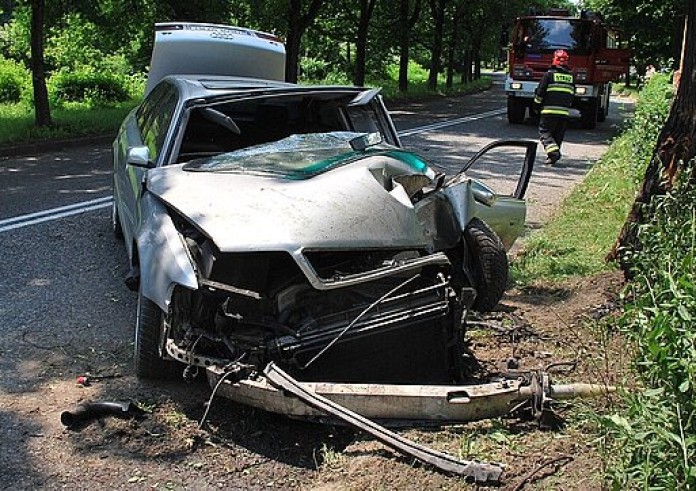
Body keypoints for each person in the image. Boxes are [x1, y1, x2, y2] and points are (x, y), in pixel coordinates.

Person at [534, 49, 575, 165]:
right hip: (563, 113)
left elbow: (540, 92)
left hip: (548, 111)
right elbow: (572, 95)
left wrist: (536, 105)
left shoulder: (549, 75)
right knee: (558, 134)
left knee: (545, 132)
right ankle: (552, 157)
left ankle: (554, 153)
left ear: (554, 60)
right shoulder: (571, 77)